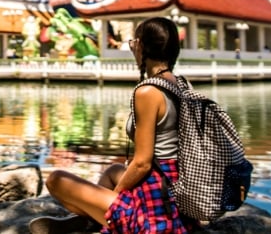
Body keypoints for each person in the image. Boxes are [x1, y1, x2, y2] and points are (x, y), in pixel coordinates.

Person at [29, 17, 198, 233]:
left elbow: (142, 164)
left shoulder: (148, 92)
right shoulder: (183, 84)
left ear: (141, 46)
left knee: (56, 179)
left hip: (157, 211)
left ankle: (103, 217)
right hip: (176, 188)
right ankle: (94, 217)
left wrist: (115, 198)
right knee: (113, 170)